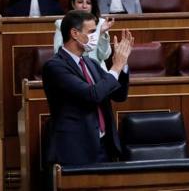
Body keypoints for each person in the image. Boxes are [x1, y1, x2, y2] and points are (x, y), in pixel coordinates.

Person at [43, 10, 132, 166]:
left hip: (104, 147)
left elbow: (119, 95)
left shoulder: (90, 63)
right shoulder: (55, 67)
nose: (94, 36)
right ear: (74, 33)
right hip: (76, 151)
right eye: (91, 31)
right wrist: (116, 66)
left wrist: (122, 65)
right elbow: (92, 95)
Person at [53, 0, 113, 67]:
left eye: (88, 3)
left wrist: (101, 33)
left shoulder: (101, 24)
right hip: (73, 69)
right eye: (80, 2)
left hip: (98, 71)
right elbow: (58, 52)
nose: (84, 6)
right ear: (73, 4)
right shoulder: (61, 24)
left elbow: (104, 56)